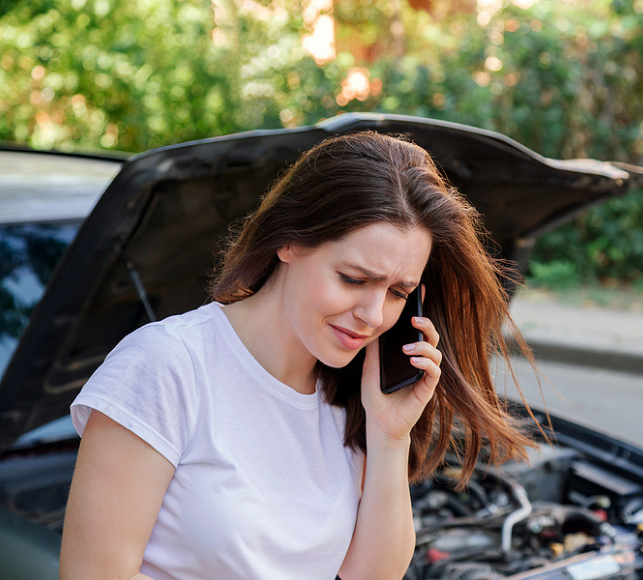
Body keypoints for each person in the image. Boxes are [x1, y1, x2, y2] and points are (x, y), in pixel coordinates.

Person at [59, 131, 538, 580]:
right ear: (289, 240)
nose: (373, 316)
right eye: (353, 279)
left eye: (398, 292)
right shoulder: (166, 366)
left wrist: (390, 435)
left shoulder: (351, 393)